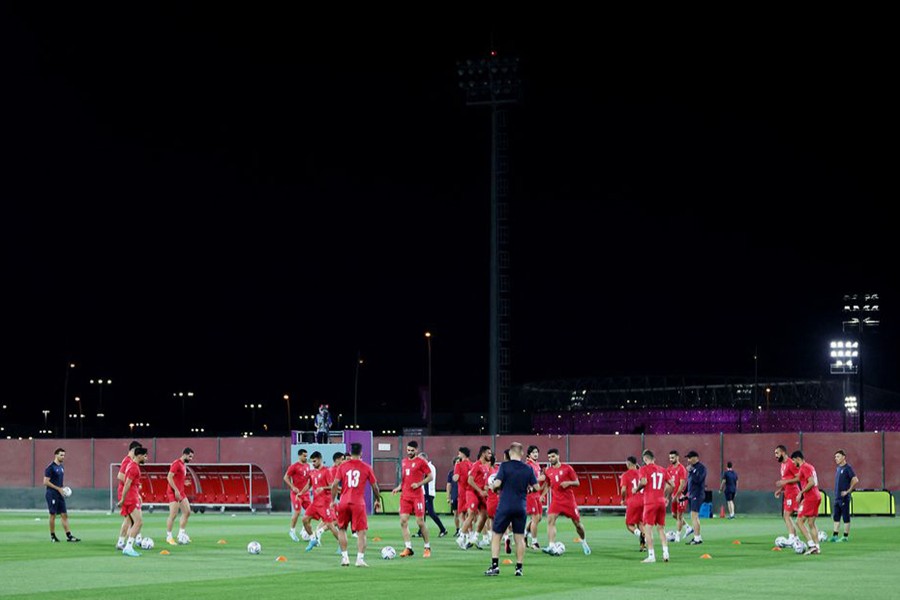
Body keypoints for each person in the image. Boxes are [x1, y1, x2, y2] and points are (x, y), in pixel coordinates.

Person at [484, 442, 537, 577]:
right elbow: (536, 487)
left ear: (509, 453)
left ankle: (495, 566)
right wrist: (528, 490)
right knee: (519, 537)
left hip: (505, 505)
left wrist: (492, 487)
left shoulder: (504, 466)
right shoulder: (528, 468)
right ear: (522, 453)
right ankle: (519, 568)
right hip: (520, 506)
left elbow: (497, 483)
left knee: (497, 535)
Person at [331, 442, 382, 567]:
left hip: (343, 501)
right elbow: (375, 487)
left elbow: (334, 484)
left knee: (342, 529)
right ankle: (359, 559)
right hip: (358, 503)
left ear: (350, 452)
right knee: (361, 532)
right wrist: (377, 500)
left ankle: (345, 558)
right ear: (361, 453)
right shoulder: (366, 467)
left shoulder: (342, 466)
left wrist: (332, 500)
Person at [543, 448, 591, 555]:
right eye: (549, 457)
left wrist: (568, 483)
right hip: (556, 501)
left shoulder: (567, 468)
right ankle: (551, 545)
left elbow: (577, 482)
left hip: (568, 501)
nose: (551, 459)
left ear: (558, 456)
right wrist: (542, 495)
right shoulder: (548, 471)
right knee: (550, 521)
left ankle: (584, 541)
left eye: (553, 456)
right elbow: (548, 484)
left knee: (577, 524)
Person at [390, 440, 433, 557]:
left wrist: (419, 484)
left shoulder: (421, 462)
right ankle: (408, 547)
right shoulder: (404, 462)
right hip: (405, 496)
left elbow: (430, 477)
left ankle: (427, 547)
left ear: (416, 450)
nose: (409, 452)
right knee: (403, 521)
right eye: (408, 450)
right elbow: (405, 479)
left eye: (412, 450)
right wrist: (399, 487)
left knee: (420, 522)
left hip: (417, 496)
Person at [637, 450, 673, 563]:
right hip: (661, 501)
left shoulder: (643, 469)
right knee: (661, 528)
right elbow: (672, 484)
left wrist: (636, 490)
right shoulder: (662, 469)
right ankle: (666, 553)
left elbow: (643, 482)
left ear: (645, 459)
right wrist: (666, 496)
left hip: (650, 502)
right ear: (654, 459)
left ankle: (651, 555)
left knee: (648, 529)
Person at [303, 451, 340, 551]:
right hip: (315, 503)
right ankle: (313, 539)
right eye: (312, 462)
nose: (313, 463)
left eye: (314, 461)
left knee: (330, 525)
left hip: (325, 503)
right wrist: (301, 493)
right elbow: (309, 485)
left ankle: (341, 544)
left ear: (320, 459)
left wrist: (323, 488)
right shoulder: (312, 472)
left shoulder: (326, 471)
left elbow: (332, 486)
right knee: (305, 520)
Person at [43, 448, 80, 543]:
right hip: (52, 494)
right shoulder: (50, 467)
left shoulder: (61, 467)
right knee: (53, 515)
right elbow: (45, 482)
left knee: (64, 515)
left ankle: (69, 536)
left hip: (60, 494)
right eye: (61, 455)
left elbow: (59, 482)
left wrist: (63, 489)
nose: (63, 457)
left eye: (64, 455)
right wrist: (58, 488)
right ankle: (53, 536)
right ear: (56, 455)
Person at [117, 447, 148, 556]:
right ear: (139, 455)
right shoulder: (133, 467)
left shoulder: (131, 465)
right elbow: (127, 483)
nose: (146, 458)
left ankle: (125, 544)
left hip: (131, 497)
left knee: (132, 522)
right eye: (145, 456)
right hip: (131, 498)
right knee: (138, 522)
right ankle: (128, 547)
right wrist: (123, 499)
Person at [791, 450, 822, 555]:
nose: (793, 463)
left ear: (797, 459)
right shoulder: (810, 466)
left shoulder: (805, 467)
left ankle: (811, 545)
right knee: (811, 523)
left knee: (799, 522)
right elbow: (799, 477)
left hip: (811, 497)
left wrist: (801, 492)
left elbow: (811, 482)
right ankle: (817, 547)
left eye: (793, 461)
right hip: (816, 496)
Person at [461, 445, 491, 550]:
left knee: (485, 515)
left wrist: (486, 489)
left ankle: (475, 537)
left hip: (480, 493)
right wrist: (480, 491)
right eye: (488, 453)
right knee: (471, 514)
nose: (490, 455)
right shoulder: (476, 465)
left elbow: (484, 481)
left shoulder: (486, 466)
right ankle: (461, 538)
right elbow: (470, 480)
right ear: (483, 453)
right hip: (472, 492)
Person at [165, 447, 194, 546]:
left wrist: (183, 482)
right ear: (184, 454)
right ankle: (169, 537)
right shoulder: (176, 463)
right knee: (173, 515)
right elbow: (169, 477)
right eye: (190, 456)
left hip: (181, 492)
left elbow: (177, 478)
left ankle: (181, 534)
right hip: (173, 492)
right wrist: (176, 490)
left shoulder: (183, 465)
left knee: (187, 512)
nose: (191, 459)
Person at [115, 440, 142, 549]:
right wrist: (133, 484)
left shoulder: (129, 461)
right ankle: (131, 541)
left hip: (128, 493)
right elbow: (120, 476)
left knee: (129, 519)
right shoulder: (128, 461)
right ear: (134, 450)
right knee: (134, 519)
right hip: (127, 494)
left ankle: (122, 542)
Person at [774, 444, 801, 544]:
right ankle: (795, 539)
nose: (776, 455)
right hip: (787, 493)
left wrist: (785, 482)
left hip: (793, 493)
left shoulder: (791, 463)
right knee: (786, 516)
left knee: (786, 516)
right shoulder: (782, 464)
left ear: (783, 452)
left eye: (777, 453)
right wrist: (780, 490)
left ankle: (792, 538)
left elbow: (799, 477)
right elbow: (786, 480)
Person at [284, 448, 312, 542]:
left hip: (305, 493)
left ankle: (304, 528)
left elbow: (309, 479)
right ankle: (292, 531)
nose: (306, 457)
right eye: (304, 456)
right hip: (296, 494)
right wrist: (292, 487)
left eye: (306, 456)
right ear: (299, 456)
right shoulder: (294, 466)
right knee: (297, 511)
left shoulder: (308, 466)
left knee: (311, 512)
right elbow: (286, 477)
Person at [417, 452, 448, 538]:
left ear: (424, 459)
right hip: (425, 493)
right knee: (422, 512)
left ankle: (443, 529)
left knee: (431, 513)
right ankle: (420, 531)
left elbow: (428, 479)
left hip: (428, 493)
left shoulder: (430, 467)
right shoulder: (427, 467)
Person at [831, 449, 858, 542]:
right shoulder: (838, 468)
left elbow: (855, 480)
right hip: (837, 497)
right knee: (836, 517)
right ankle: (835, 535)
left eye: (838, 456)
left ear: (843, 457)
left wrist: (848, 491)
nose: (836, 458)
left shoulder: (848, 468)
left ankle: (845, 536)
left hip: (844, 498)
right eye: (835, 457)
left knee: (845, 517)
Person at [619, 455, 645, 551]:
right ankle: (643, 545)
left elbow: (623, 490)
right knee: (640, 523)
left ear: (628, 464)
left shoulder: (625, 475)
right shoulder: (641, 472)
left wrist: (623, 499)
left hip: (633, 502)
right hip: (643, 501)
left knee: (629, 525)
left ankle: (640, 534)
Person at [683, 450, 706, 544]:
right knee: (694, 516)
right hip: (692, 494)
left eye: (690, 458)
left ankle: (697, 538)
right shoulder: (693, 468)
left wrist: (691, 471)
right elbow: (689, 482)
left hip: (697, 494)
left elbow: (698, 479)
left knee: (694, 516)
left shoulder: (701, 468)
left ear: (696, 458)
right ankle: (698, 537)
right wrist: (684, 493)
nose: (688, 460)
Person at [525, 445, 545, 550]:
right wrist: (539, 478)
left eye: (537, 452)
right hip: (531, 495)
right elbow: (527, 479)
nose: (536, 454)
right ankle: (534, 542)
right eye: (533, 452)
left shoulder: (537, 465)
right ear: (529, 454)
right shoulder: (528, 465)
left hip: (537, 494)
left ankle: (525, 534)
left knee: (539, 518)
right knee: (535, 518)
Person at [452, 447, 472, 547]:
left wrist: (454, 475)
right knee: (470, 515)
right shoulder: (472, 464)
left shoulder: (459, 465)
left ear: (463, 454)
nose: (458, 455)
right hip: (471, 492)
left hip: (462, 493)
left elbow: (455, 478)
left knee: (461, 515)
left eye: (459, 453)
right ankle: (470, 535)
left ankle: (465, 535)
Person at [667, 450, 688, 541]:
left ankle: (677, 536)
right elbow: (668, 484)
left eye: (673, 457)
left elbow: (682, 485)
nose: (671, 459)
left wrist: (676, 496)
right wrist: (667, 496)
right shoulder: (669, 469)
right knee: (674, 515)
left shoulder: (681, 469)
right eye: (670, 458)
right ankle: (687, 527)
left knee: (679, 516)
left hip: (681, 496)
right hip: (673, 495)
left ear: (677, 457)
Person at [447, 457, 461, 537]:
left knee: (464, 514)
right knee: (456, 513)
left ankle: (465, 531)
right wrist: (448, 497)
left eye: (459, 462)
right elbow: (449, 485)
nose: (458, 464)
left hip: (462, 495)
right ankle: (458, 529)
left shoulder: (464, 472)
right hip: (454, 495)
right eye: (457, 462)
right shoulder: (451, 473)